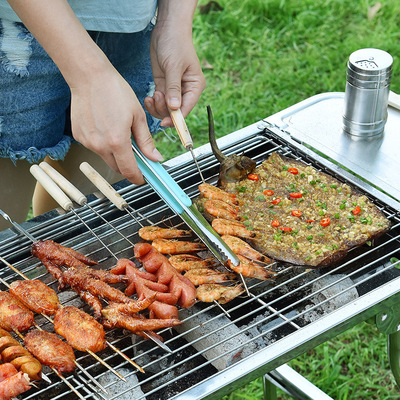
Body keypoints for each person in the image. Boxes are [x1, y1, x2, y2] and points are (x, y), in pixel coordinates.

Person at [0, 0, 205, 231]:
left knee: (88, 188)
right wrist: (89, 75)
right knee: (7, 193)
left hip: (132, 24)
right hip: (18, 22)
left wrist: (173, 22)